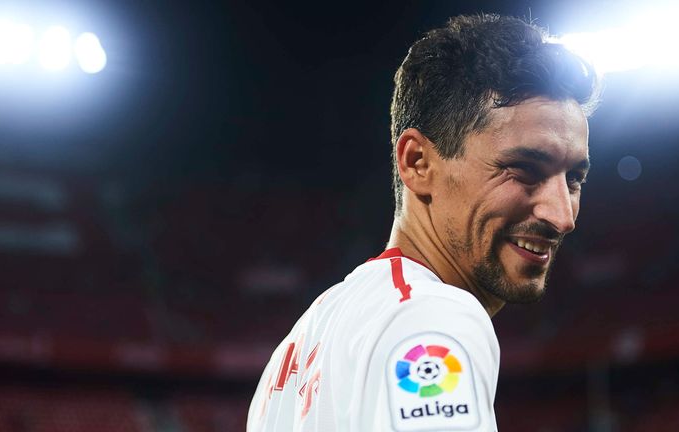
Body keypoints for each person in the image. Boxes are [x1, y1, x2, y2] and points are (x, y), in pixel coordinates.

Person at [247, 13, 599, 432]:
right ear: (417, 162)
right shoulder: (434, 317)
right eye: (524, 170)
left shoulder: (299, 348)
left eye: (574, 178)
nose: (562, 216)